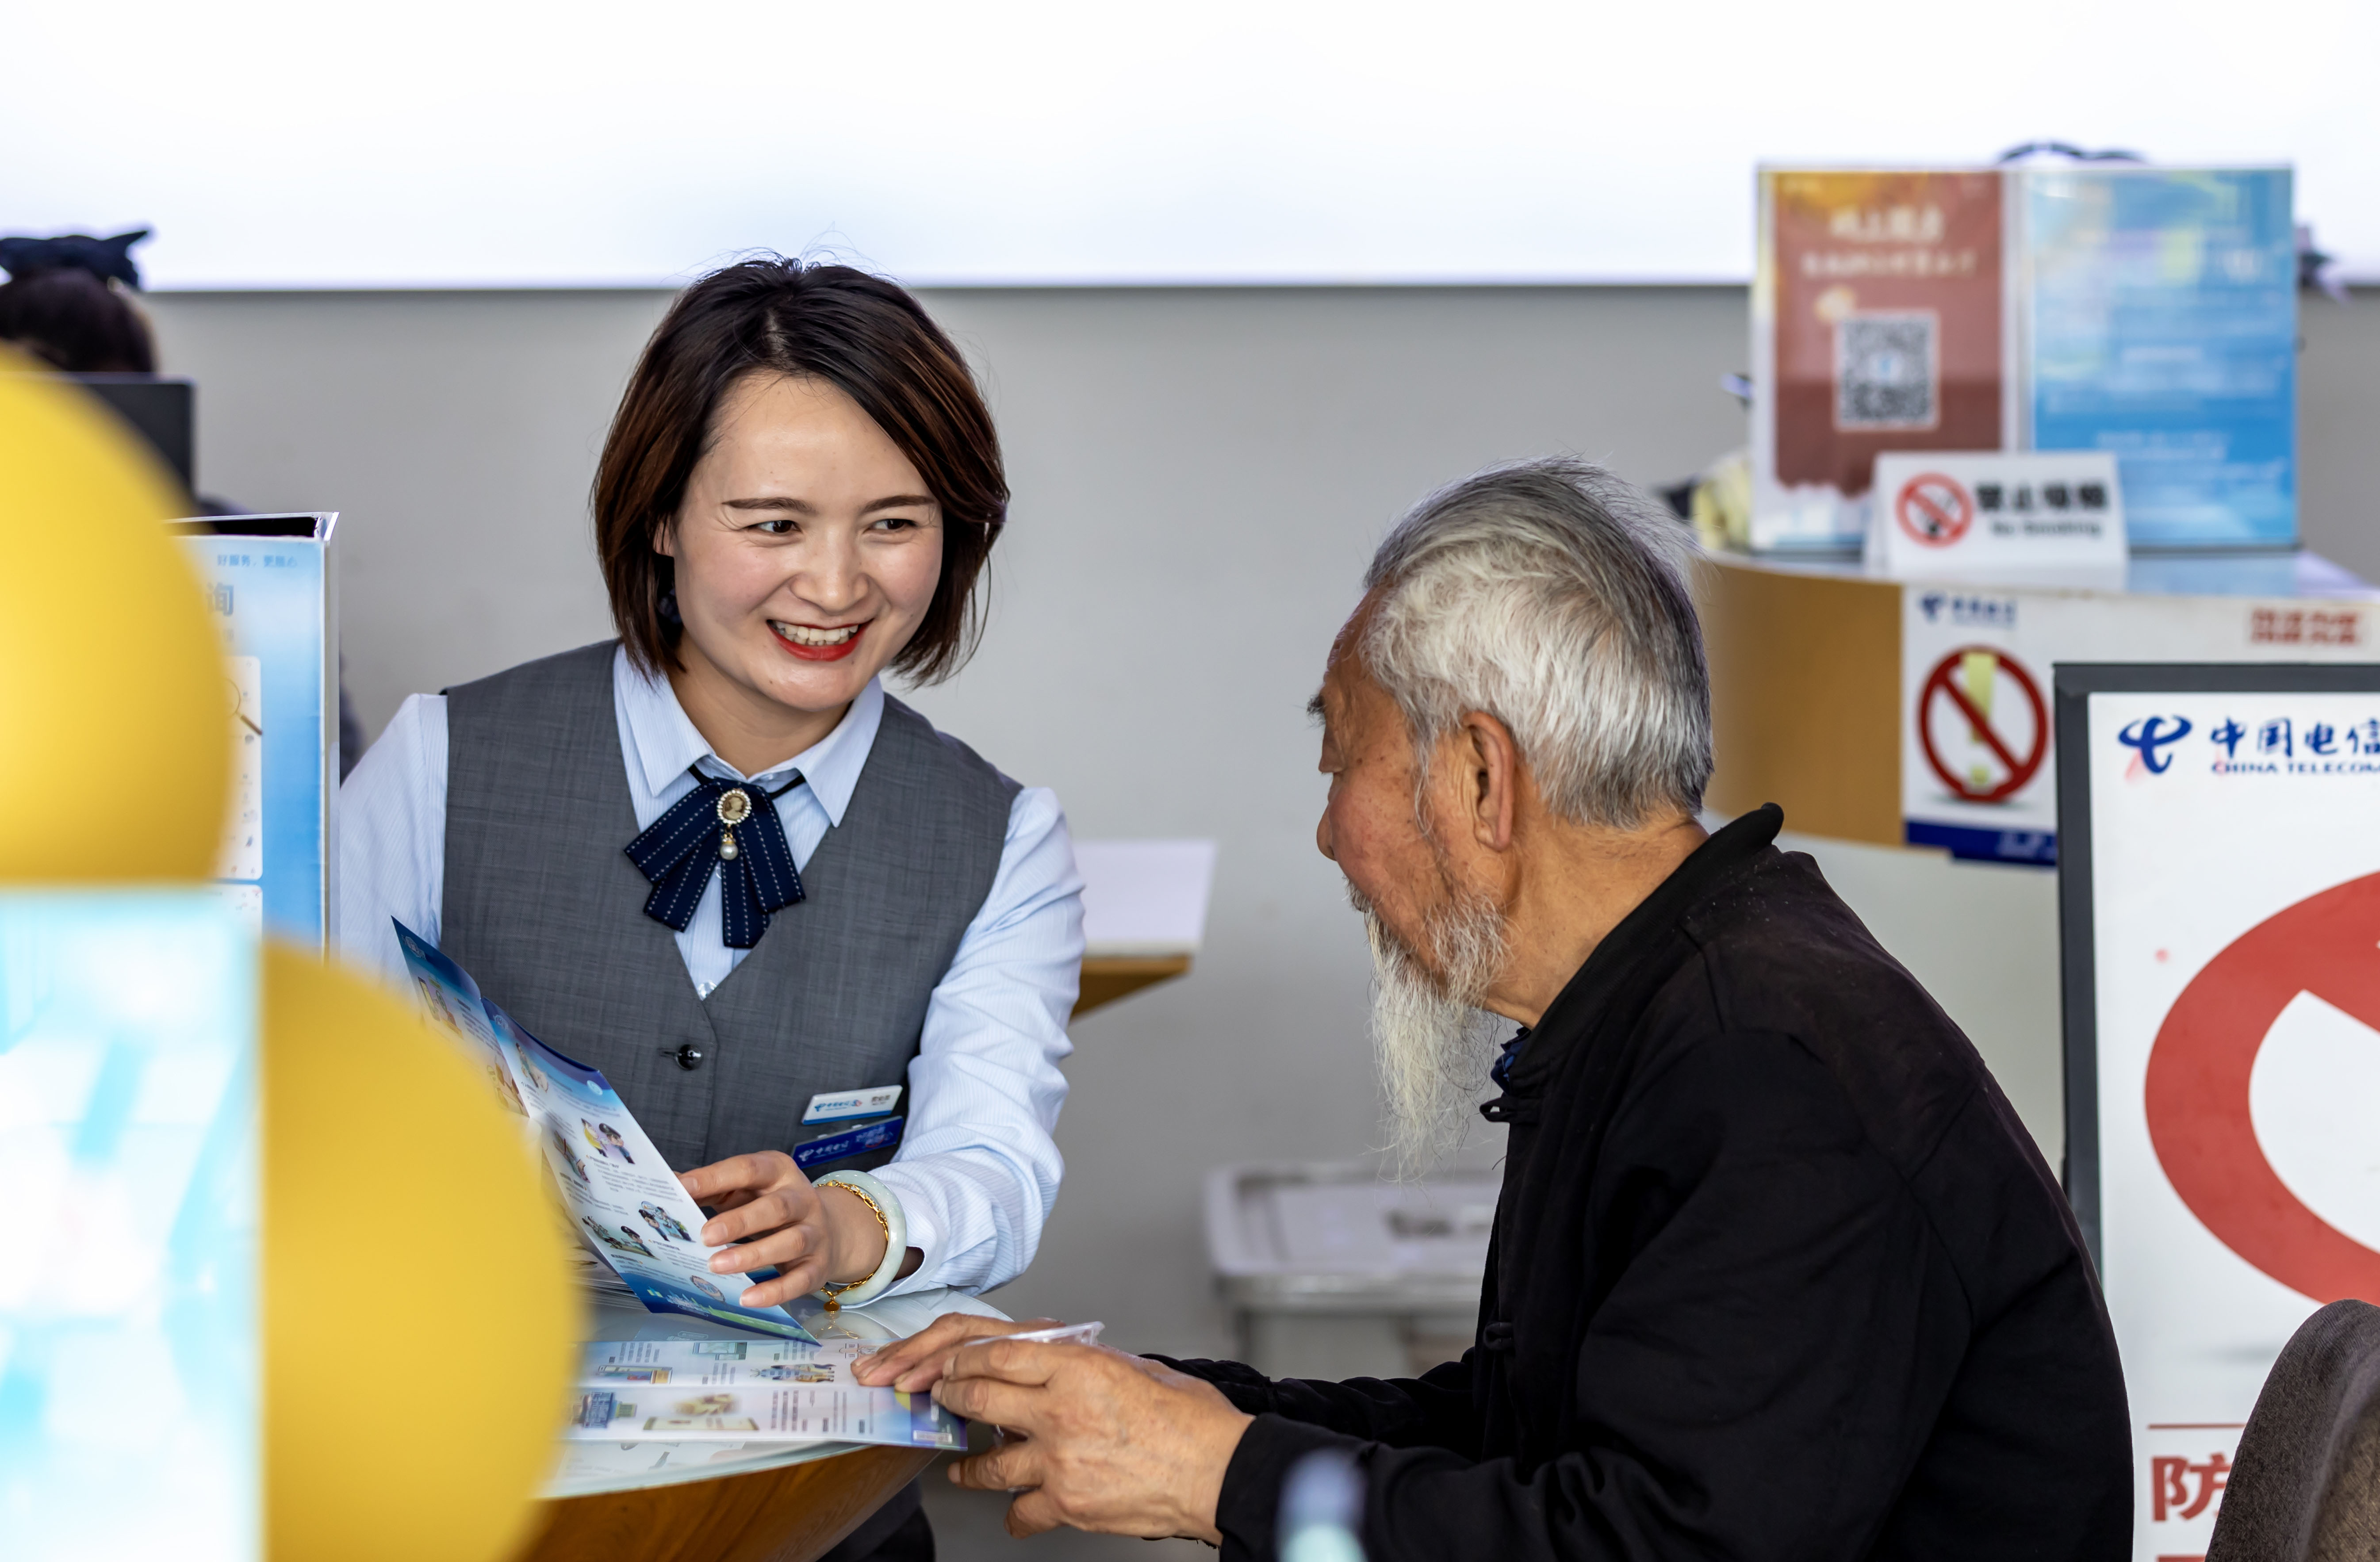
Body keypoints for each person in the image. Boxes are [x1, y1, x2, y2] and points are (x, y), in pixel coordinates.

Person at [860, 459, 2132, 1561]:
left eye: (1340, 765)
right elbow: (1522, 1434)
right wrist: (1170, 1409)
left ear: (1481, 775)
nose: (1327, 835)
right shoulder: (1668, 999)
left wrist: (1216, 1476)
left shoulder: (1768, 1067)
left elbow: (1649, 1543)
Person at [341, 257, 1084, 1562]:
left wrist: (852, 1223)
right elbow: (298, 1090)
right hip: (458, 1490)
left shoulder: (1002, 839)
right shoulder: (439, 761)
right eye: (774, 523)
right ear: (662, 517)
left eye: (894, 523)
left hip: (813, 1521)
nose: (836, 586)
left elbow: (997, 1165)